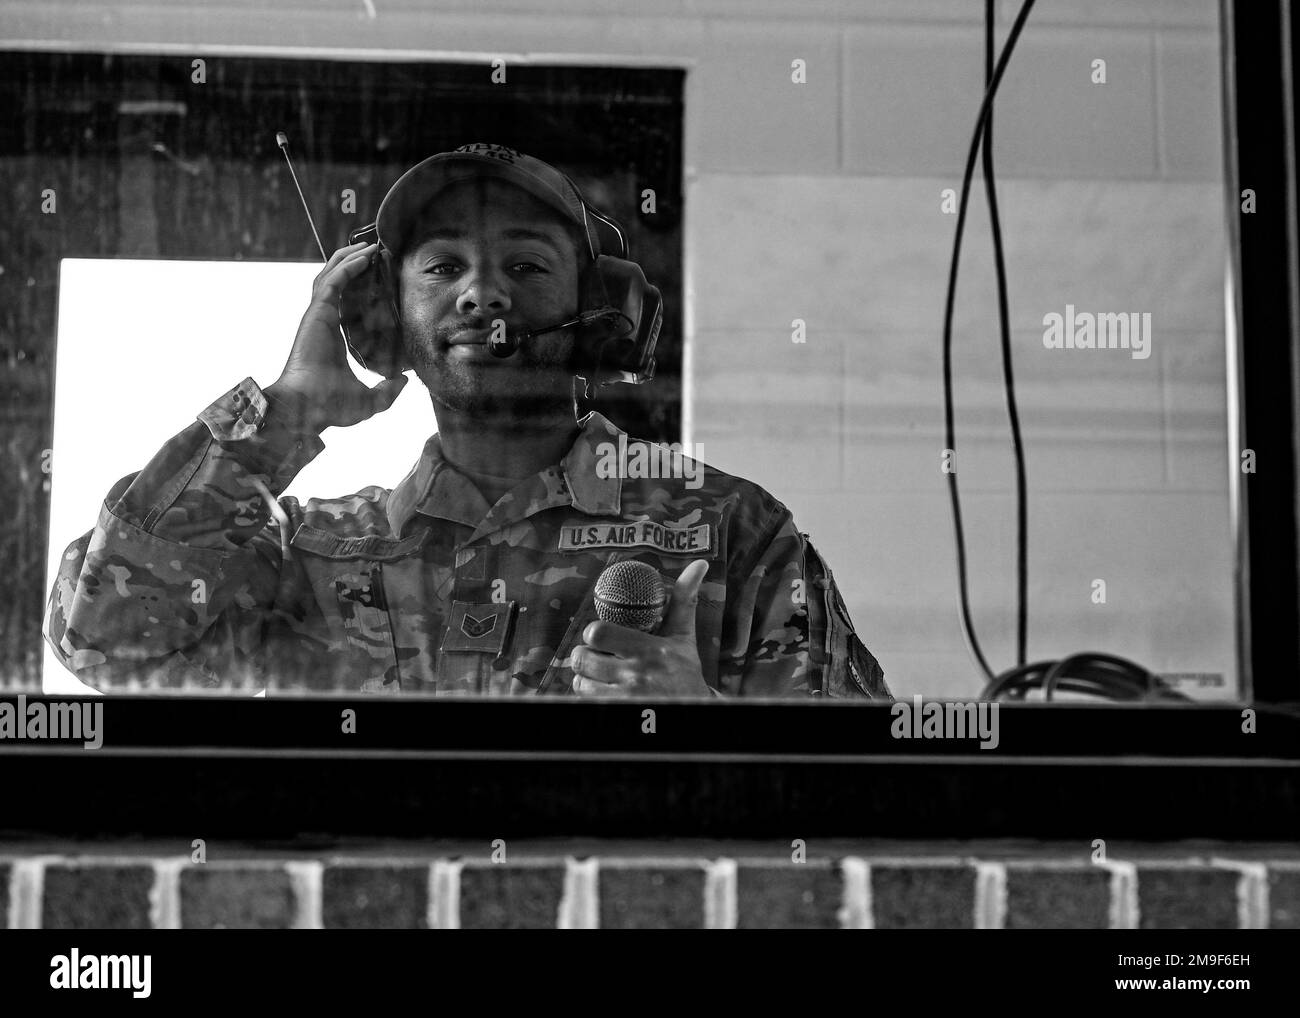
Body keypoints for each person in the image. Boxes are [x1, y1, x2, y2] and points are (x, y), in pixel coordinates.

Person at [44, 143, 890, 699]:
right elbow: (105, 644)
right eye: (443, 266)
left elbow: (864, 799)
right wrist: (283, 415)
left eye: (526, 264)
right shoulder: (304, 554)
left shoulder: (729, 532)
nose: (483, 294)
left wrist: (703, 726)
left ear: (600, 311)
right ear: (383, 320)